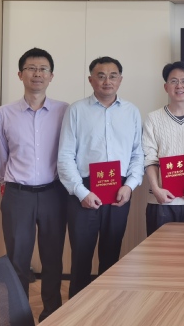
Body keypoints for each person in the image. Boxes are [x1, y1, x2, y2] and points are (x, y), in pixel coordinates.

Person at [57, 56, 144, 298]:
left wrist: (130, 186)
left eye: (113, 76)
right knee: (81, 256)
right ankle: (77, 310)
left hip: (119, 190)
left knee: (111, 255)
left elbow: (138, 154)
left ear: (120, 80)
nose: (107, 81)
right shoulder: (76, 110)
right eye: (101, 76)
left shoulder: (131, 112)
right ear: (90, 80)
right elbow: (65, 156)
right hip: (84, 189)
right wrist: (81, 192)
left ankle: (107, 307)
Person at [0, 48, 68, 322]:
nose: (37, 74)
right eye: (31, 68)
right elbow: (2, 157)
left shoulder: (65, 111)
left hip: (54, 193)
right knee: (17, 260)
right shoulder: (3, 114)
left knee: (53, 258)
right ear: (20, 74)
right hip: (18, 194)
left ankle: (52, 312)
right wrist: (7, 186)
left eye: (43, 69)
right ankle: (20, 315)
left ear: (51, 76)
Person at [142, 61, 184, 236]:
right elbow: (149, 158)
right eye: (173, 81)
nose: (179, 86)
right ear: (166, 87)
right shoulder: (152, 118)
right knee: (160, 252)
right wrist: (156, 189)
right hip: (161, 201)